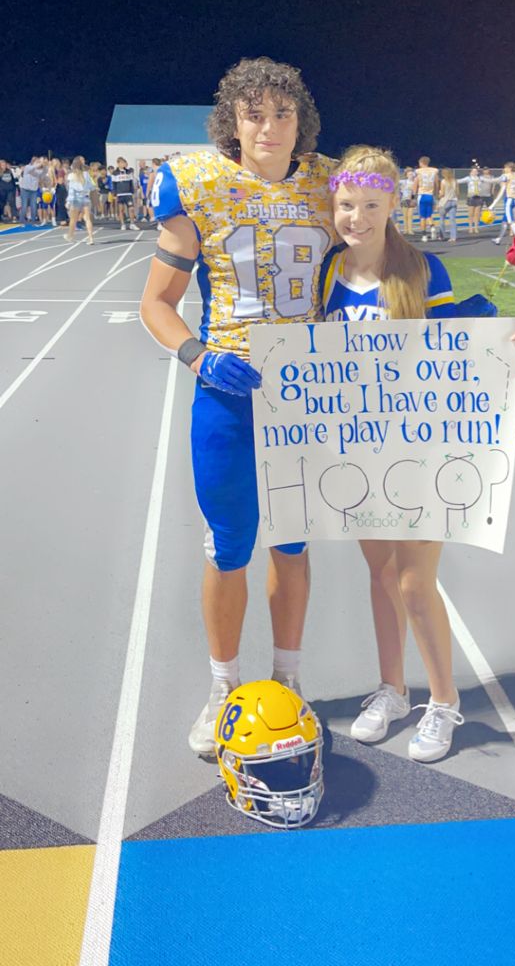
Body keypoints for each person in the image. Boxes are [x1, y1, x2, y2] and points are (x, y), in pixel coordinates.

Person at [140, 56, 335, 755]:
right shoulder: (195, 185)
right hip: (229, 392)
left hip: (306, 398)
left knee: (292, 543)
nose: (270, 127)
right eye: (255, 113)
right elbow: (156, 305)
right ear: (233, 121)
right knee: (229, 545)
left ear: (300, 120)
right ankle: (223, 686)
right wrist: (199, 356)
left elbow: (384, 274)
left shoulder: (329, 184)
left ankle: (287, 680)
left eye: (283, 113)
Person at [320, 146, 515, 761]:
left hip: (418, 446)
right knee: (381, 576)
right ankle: (392, 688)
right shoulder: (328, 272)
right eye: (345, 205)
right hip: (357, 446)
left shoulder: (422, 271)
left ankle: (444, 703)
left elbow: (455, 354)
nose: (356, 217)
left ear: (392, 204)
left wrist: (512, 355)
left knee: (415, 583)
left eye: (369, 205)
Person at [64, 156, 95, 243]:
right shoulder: (87, 174)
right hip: (85, 198)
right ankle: (91, 238)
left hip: (76, 199)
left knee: (73, 219)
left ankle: (70, 236)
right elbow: (92, 187)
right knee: (87, 219)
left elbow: (71, 190)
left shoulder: (71, 175)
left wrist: (68, 201)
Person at [414, 156, 439, 241]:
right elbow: (436, 184)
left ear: (421, 163)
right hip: (430, 195)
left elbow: (415, 184)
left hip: (422, 195)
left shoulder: (418, 172)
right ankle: (432, 226)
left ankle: (424, 235)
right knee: (429, 215)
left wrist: (413, 195)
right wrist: (435, 194)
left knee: (422, 217)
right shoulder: (434, 171)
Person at [111, 157, 139, 230]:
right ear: (118, 163)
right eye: (122, 163)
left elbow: (130, 183)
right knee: (121, 210)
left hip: (128, 194)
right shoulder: (115, 173)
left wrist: (132, 191)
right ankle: (122, 224)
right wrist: (114, 194)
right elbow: (114, 184)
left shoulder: (128, 172)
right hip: (120, 194)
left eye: (124, 163)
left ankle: (132, 224)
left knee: (131, 209)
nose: (123, 164)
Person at [20, 156, 49, 225]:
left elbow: (44, 172)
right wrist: (39, 164)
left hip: (33, 190)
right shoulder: (27, 167)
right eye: (37, 162)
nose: (38, 163)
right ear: (33, 162)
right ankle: (22, 219)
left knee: (33, 205)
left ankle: (33, 220)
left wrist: (44, 165)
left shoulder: (38, 171)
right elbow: (32, 167)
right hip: (25, 189)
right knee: (24, 205)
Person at [458, 164, 484, 234]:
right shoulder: (468, 178)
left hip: (478, 197)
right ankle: (470, 227)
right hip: (471, 197)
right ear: (470, 172)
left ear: (478, 172)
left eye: (476, 171)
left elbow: (489, 181)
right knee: (470, 214)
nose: (475, 173)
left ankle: (476, 227)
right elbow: (459, 181)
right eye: (473, 171)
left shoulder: (480, 178)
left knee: (477, 214)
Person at [438, 167, 458, 242]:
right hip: (454, 201)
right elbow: (457, 192)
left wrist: (439, 195)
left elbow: (442, 194)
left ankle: (442, 236)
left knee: (442, 219)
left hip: (445, 202)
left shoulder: (443, 181)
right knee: (452, 220)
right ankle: (453, 237)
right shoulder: (455, 181)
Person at [399, 166, 416, 236]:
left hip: (412, 200)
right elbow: (395, 182)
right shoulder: (403, 182)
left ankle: (410, 230)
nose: (411, 176)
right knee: (405, 216)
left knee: (410, 215)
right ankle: (405, 230)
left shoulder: (415, 182)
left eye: (412, 174)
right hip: (404, 199)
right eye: (409, 174)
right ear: (406, 175)